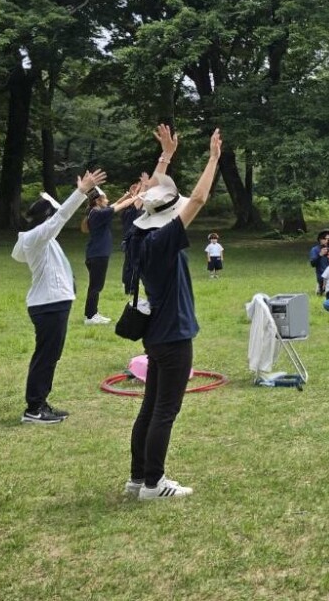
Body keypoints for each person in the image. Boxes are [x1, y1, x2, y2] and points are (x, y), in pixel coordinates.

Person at [125, 124, 220, 500]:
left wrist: (166, 157)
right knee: (166, 409)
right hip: (174, 334)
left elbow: (153, 195)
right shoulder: (163, 239)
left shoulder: (137, 236)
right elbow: (195, 200)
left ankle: (137, 479)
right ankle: (154, 483)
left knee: (150, 407)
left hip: (155, 336)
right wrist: (212, 159)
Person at [13, 169, 108, 424]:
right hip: (48, 306)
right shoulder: (37, 237)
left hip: (51, 304)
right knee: (45, 356)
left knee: (50, 355)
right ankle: (34, 409)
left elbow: (58, 219)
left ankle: (40, 403)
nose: (56, 219)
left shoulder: (42, 239)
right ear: (46, 218)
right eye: (52, 216)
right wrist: (81, 192)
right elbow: (61, 217)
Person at [81, 186, 136, 324]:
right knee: (96, 286)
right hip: (98, 255)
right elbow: (119, 207)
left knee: (95, 285)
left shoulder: (96, 212)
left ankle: (92, 313)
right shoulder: (99, 214)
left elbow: (114, 205)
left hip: (95, 254)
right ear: (98, 201)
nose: (107, 200)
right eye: (104, 198)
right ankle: (90, 316)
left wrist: (126, 197)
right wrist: (136, 197)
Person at [309, 229, 329, 295]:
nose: (327, 241)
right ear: (320, 239)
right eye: (325, 239)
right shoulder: (315, 249)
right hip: (322, 276)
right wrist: (320, 255)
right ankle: (320, 287)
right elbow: (313, 264)